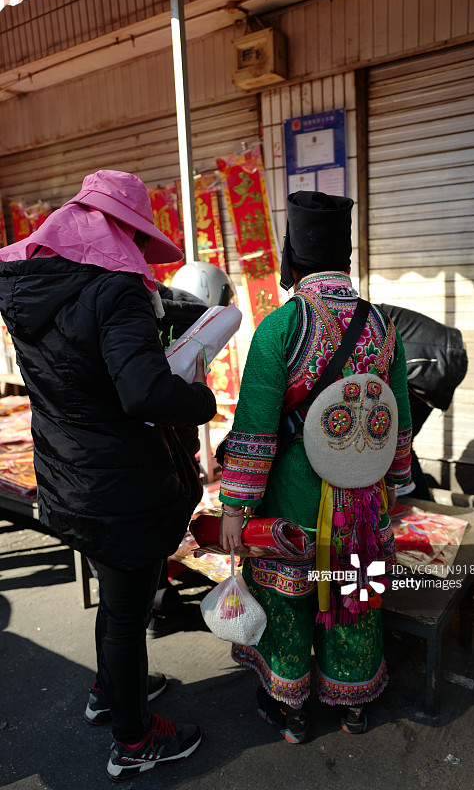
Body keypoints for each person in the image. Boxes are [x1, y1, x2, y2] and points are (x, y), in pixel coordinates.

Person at [0, 170, 217, 782]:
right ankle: (134, 738)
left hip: (68, 475)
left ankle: (109, 690)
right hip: (120, 484)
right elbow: (144, 391)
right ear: (121, 230)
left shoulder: (29, 286)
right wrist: (199, 401)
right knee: (124, 612)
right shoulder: (113, 290)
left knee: (117, 602)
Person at [219, 191, 412, 743]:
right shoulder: (383, 327)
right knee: (355, 591)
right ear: (344, 259)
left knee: (288, 600)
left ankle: (291, 710)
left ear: (291, 258)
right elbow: (397, 422)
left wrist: (236, 507)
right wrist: (394, 484)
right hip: (363, 501)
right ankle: (353, 706)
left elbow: (255, 432)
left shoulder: (280, 329)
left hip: (294, 503)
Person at [380, 304, 468, 500]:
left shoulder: (354, 316)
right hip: (447, 355)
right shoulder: (365, 310)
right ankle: (418, 500)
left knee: (395, 437)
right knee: (404, 440)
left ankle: (404, 493)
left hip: (426, 363)